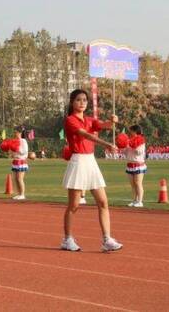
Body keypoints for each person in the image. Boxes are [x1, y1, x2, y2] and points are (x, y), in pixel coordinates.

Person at [61, 89, 123, 252]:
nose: (82, 103)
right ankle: (67, 239)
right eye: (78, 100)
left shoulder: (90, 119)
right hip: (78, 161)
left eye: (84, 100)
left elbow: (104, 126)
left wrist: (112, 121)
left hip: (90, 161)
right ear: (72, 102)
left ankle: (107, 239)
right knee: (73, 205)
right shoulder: (70, 120)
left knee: (103, 202)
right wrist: (106, 144)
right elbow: (86, 135)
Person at [123, 125, 147, 208]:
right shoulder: (129, 140)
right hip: (130, 164)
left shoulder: (141, 140)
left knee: (138, 183)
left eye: (131, 131)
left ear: (135, 131)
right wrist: (125, 146)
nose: (130, 132)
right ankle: (134, 200)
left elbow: (139, 152)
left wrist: (132, 145)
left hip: (138, 164)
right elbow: (125, 153)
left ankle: (140, 201)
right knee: (133, 185)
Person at [10, 128, 29, 201]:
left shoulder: (23, 141)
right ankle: (19, 193)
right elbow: (13, 151)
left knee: (20, 178)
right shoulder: (15, 141)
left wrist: (17, 149)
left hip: (21, 161)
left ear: (20, 133)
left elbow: (25, 151)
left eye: (17, 133)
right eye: (15, 133)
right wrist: (12, 151)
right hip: (15, 161)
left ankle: (22, 194)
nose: (15, 134)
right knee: (15, 178)